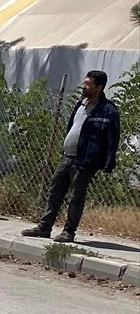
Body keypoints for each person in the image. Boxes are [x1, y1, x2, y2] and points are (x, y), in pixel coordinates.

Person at [22, 70, 120, 242]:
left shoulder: (108, 110)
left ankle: (69, 232)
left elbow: (113, 137)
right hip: (67, 156)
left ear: (99, 87)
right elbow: (71, 127)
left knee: (76, 197)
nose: (85, 86)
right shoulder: (80, 104)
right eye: (85, 83)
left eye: (89, 84)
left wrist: (109, 161)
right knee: (54, 192)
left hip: (84, 161)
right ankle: (44, 227)